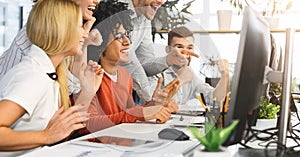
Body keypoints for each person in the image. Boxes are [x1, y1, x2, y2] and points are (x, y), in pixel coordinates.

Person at [0, 0, 103, 156]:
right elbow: (50, 136)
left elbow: (61, 133)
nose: (85, 34)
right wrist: (46, 136)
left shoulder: (49, 73)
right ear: (61, 30)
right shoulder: (33, 75)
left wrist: (88, 92)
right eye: (79, 26)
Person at [81, 0, 177, 134]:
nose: (128, 42)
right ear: (99, 40)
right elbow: (87, 124)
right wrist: (139, 112)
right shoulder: (91, 75)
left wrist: (154, 106)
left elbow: (128, 114)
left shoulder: (125, 76)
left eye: (127, 35)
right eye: (119, 37)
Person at [88, 0, 199, 103]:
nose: (161, 2)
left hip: (120, 88)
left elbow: (144, 63)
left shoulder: (144, 20)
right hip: (96, 83)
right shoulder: (115, 10)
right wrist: (155, 101)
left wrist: (169, 59)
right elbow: (130, 63)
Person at [0, 0, 100, 92]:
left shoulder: (68, 34)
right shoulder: (41, 29)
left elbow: (72, 87)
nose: (97, 1)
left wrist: (84, 40)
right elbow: (8, 93)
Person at [149, 26, 230, 108]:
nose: (185, 52)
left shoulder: (190, 75)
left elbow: (215, 99)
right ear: (168, 50)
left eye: (189, 48)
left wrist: (225, 75)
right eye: (179, 47)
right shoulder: (156, 71)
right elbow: (155, 102)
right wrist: (181, 79)